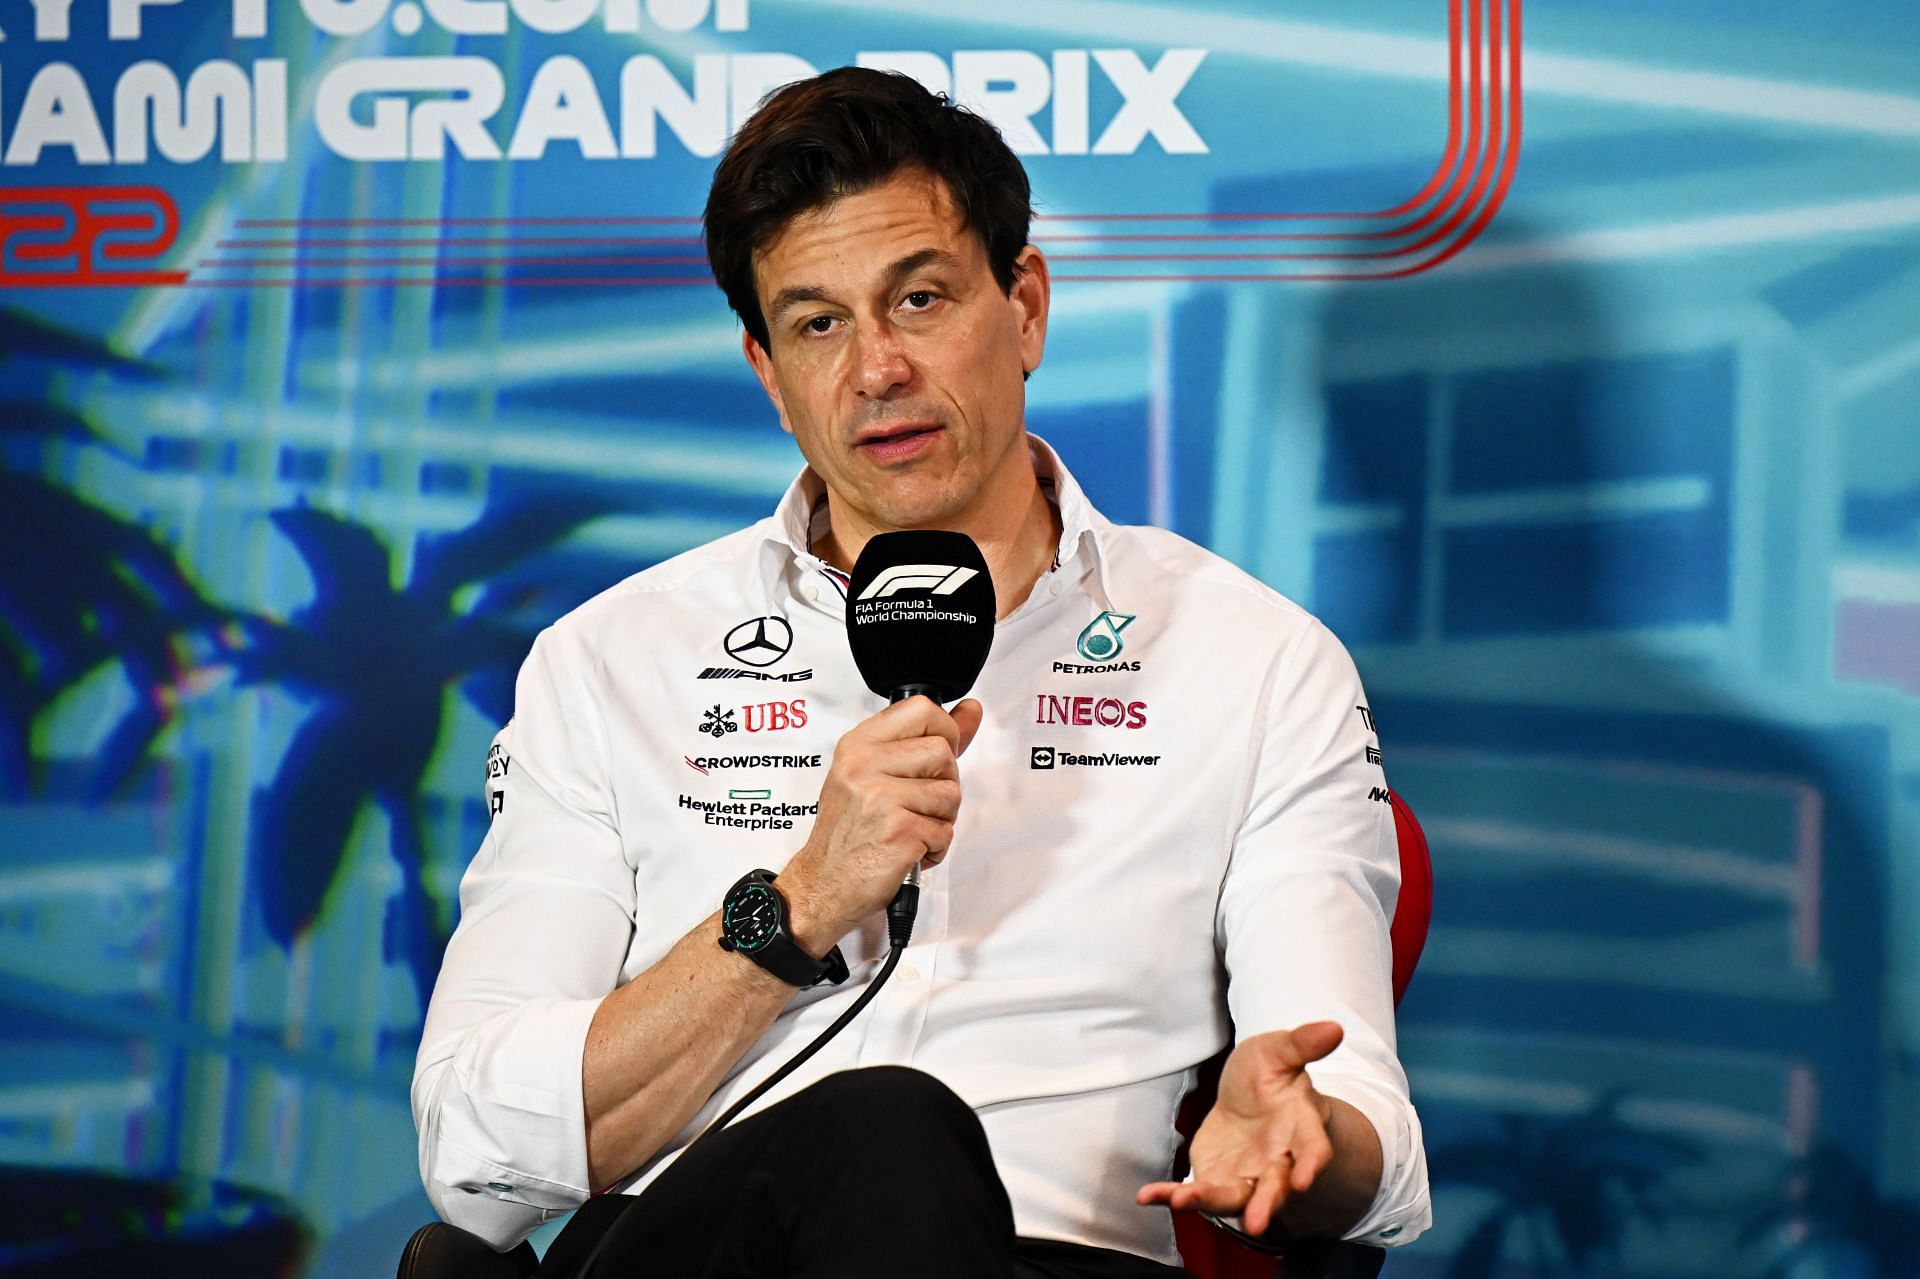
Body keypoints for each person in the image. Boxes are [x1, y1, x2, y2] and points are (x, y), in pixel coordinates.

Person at [412, 67, 1430, 1278]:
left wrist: (1312, 1144)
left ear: (1028, 307)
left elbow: (1362, 1120)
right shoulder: (610, 663)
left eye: (922, 299)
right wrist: (791, 907)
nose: (877, 368)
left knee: (901, 1146)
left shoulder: (1256, 662)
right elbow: (472, 1157)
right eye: (818, 324)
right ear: (769, 374)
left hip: (1058, 1263)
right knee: (883, 1129)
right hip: (708, 1254)